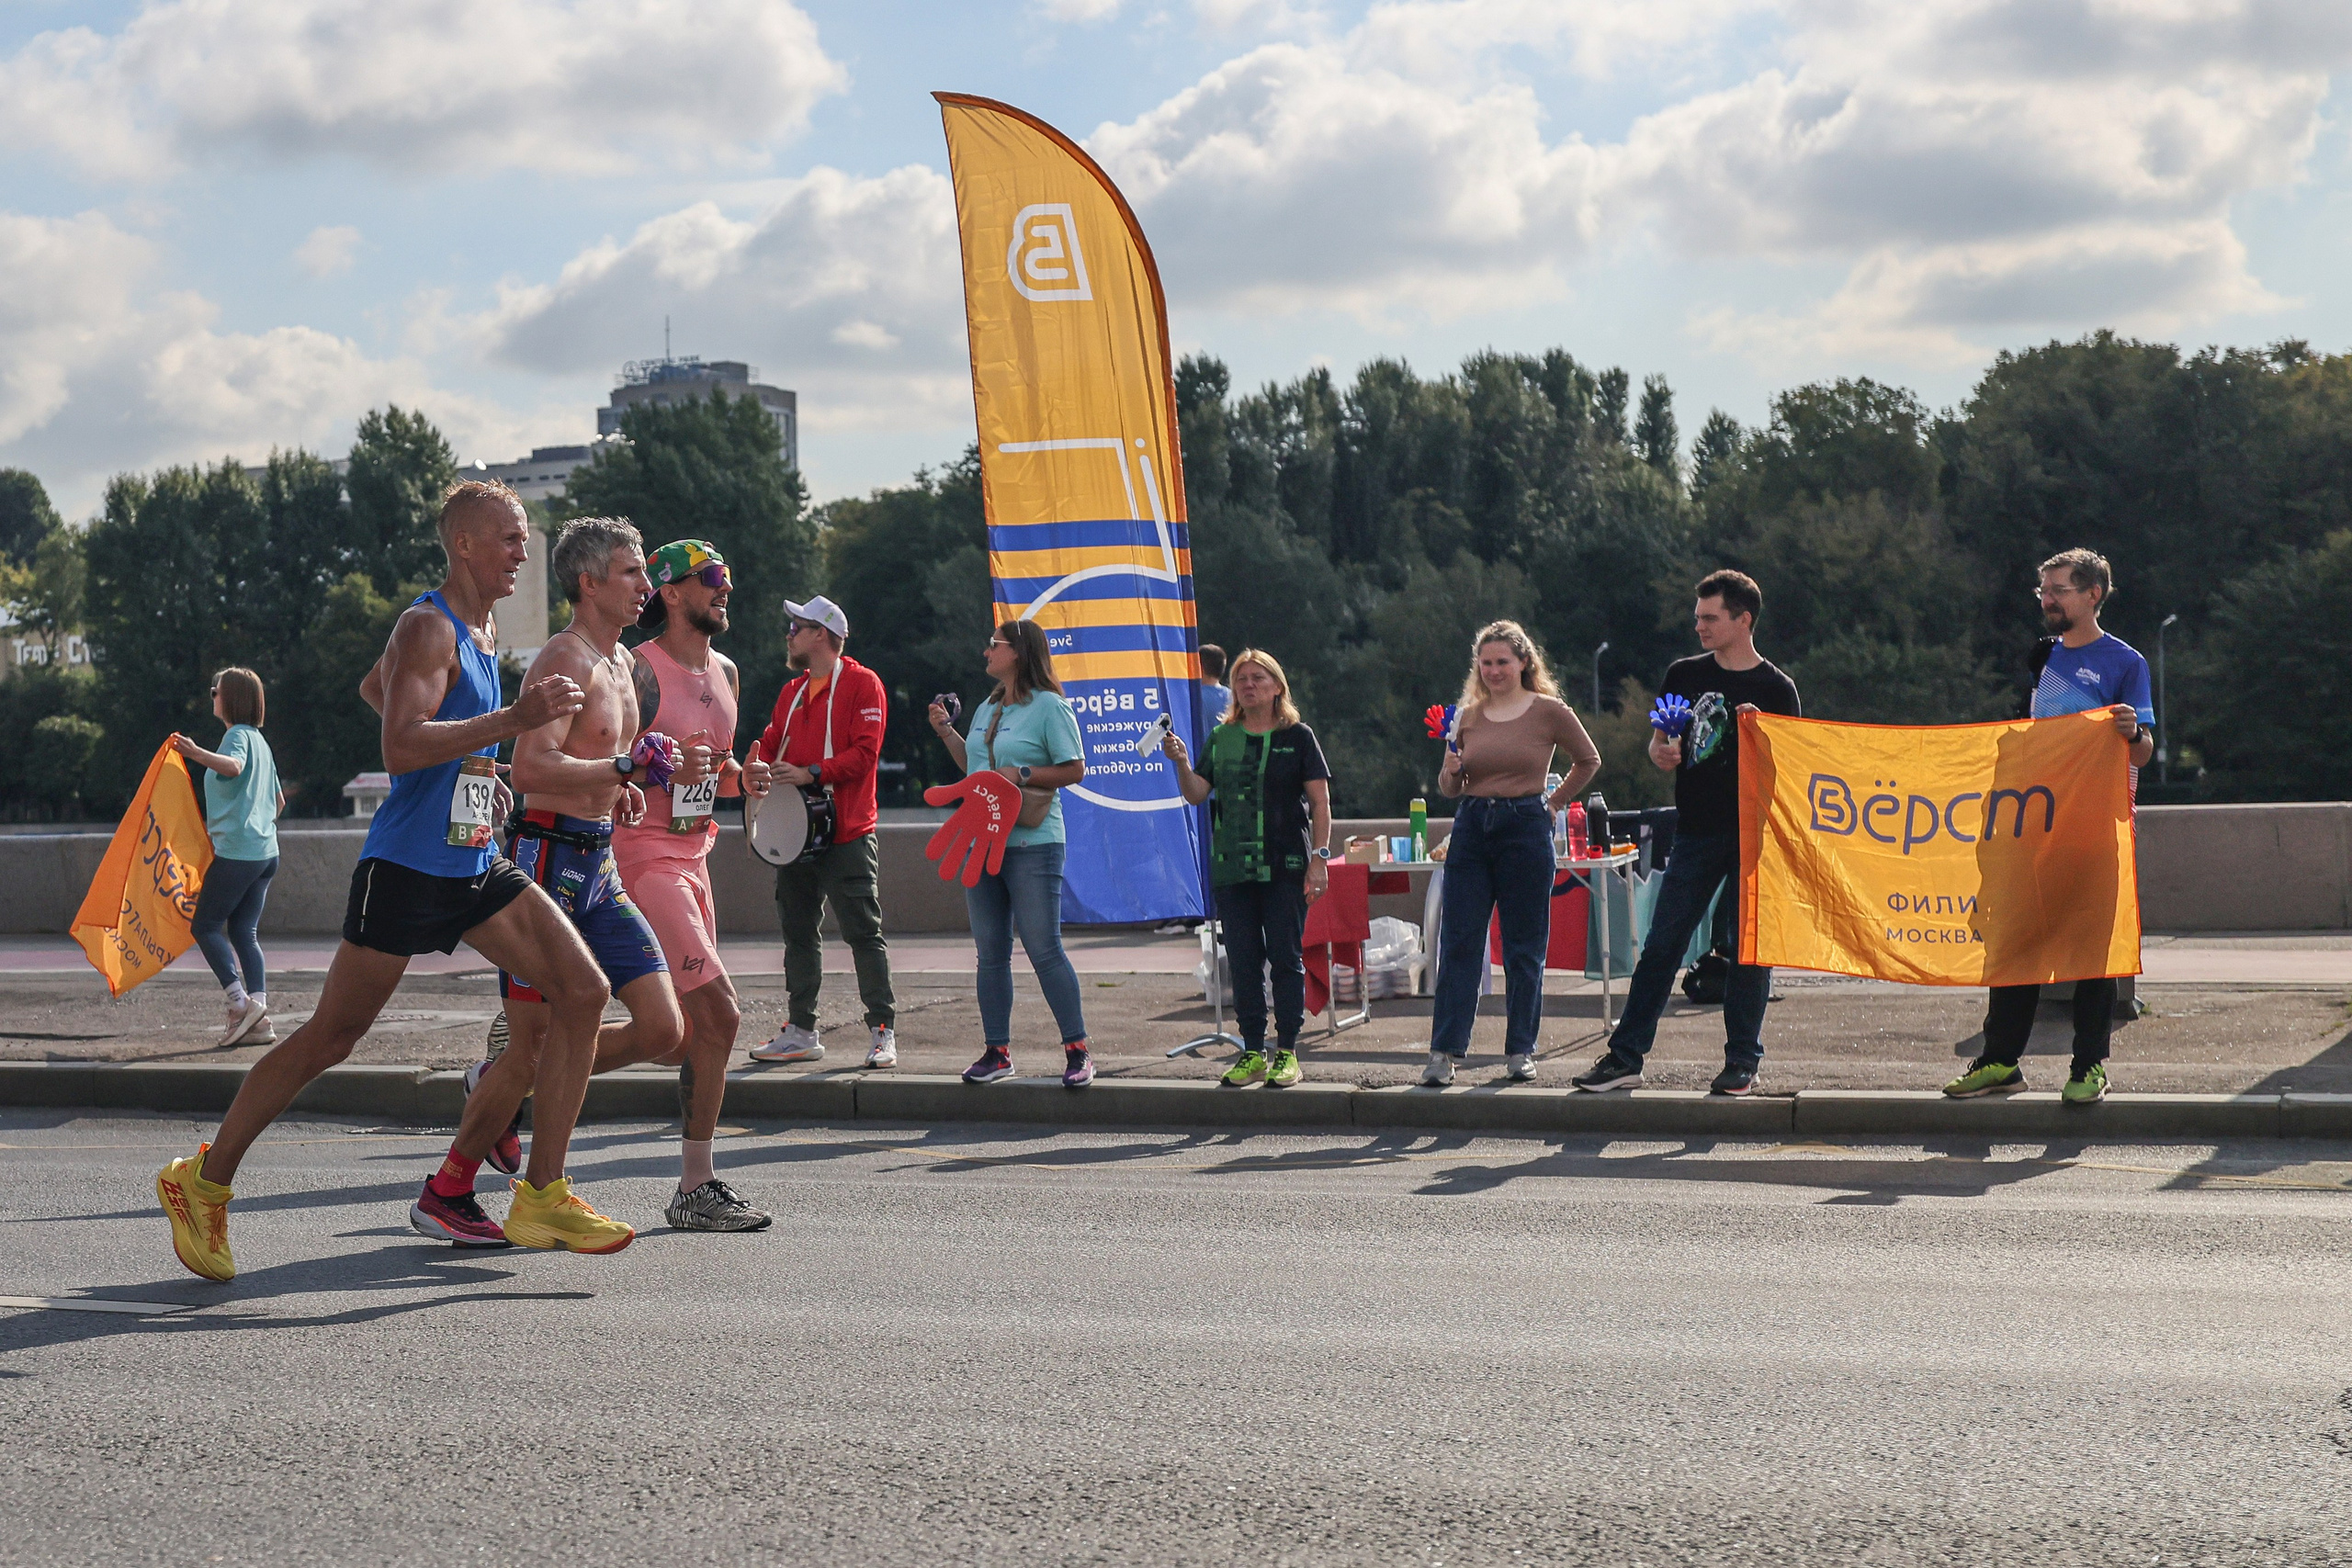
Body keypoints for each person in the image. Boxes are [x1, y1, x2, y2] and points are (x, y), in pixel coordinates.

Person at [153, 480, 619, 1281]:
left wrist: (480, 768)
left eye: (525, 539)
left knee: (583, 990)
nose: (522, 552)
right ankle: (203, 1178)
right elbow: (400, 742)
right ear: (465, 543)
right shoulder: (426, 624)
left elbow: (381, 688)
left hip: (473, 860)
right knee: (332, 1037)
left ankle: (542, 1191)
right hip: (405, 868)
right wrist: (508, 725)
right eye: (510, 537)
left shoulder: (476, 626)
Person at [412, 516, 693, 1249]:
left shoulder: (625, 664)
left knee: (665, 1027)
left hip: (598, 862)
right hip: (546, 863)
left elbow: (601, 763)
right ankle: (456, 1187)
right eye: (632, 572)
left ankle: (508, 1094)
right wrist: (621, 771)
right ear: (589, 582)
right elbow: (532, 768)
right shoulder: (562, 662)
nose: (646, 585)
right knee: (536, 1043)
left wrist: (620, 785)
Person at [1574, 570, 1801, 1096]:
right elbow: (1659, 746)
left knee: (1749, 952)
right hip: (1696, 829)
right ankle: (1625, 1057)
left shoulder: (1776, 688)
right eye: (1697, 616)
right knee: (1662, 945)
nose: (1698, 625)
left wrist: (1760, 732)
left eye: (1709, 617)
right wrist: (1663, 751)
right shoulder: (1682, 673)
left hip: (1754, 835)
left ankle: (1743, 1062)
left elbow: (1795, 769)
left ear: (1743, 619)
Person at [1945, 548, 2154, 1106]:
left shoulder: (2125, 662)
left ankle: (2089, 1067)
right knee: (2016, 942)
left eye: (2059, 589)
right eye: (2043, 590)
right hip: (2032, 825)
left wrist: (2132, 733)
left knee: (2091, 948)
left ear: (2092, 596)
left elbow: (2144, 755)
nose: (2047, 599)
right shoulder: (2042, 656)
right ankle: (1999, 1061)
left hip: (2092, 829)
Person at [606, 538, 771, 1230]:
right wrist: (654, 771)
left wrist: (744, 780)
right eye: (710, 579)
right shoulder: (637, 673)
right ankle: (695, 1189)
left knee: (676, 1037)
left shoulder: (726, 669)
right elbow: (597, 759)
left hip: (696, 857)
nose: (724, 589)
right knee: (722, 1016)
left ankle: (525, 1056)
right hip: (642, 857)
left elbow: (717, 768)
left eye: (726, 578)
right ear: (670, 592)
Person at [1426, 621, 1601, 1086]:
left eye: (1503, 661)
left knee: (1524, 946)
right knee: (1460, 941)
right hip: (1472, 826)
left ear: (1524, 662)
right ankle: (1444, 1053)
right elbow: (1450, 789)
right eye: (1486, 663)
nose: (1493, 670)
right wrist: (1449, 770)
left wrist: (1554, 803)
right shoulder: (1466, 715)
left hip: (1525, 825)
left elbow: (1589, 759)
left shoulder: (1548, 711)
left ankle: (1521, 1050)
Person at [927, 619, 1094, 1088]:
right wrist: (946, 734)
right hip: (983, 840)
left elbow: (1075, 768)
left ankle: (1077, 1050)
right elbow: (976, 769)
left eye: (994, 645)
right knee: (991, 954)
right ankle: (997, 1052)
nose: (986, 652)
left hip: (1032, 842)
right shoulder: (987, 706)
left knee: (1043, 947)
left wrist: (1022, 772)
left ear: (1018, 652)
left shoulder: (1049, 707)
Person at [1162, 649, 1332, 1089]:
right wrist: (1181, 762)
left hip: (1286, 864)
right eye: (1241, 679)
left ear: (1277, 686)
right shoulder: (1223, 737)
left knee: (1285, 956)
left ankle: (1288, 1051)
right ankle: (1252, 1050)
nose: (1248, 685)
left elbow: (1320, 803)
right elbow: (1197, 793)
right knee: (1241, 960)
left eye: (1258, 678)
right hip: (1233, 865)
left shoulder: (1299, 736)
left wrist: (1320, 858)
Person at [742, 593, 897, 1069]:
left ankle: (883, 1031)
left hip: (847, 831)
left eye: (797, 627)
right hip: (797, 835)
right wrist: (755, 767)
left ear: (821, 635)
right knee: (798, 932)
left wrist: (812, 772)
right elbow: (769, 744)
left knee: (863, 933)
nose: (789, 634)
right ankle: (801, 1031)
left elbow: (866, 755)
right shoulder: (792, 692)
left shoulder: (863, 684)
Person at [171, 667, 284, 1048]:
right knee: (243, 932)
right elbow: (278, 802)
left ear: (230, 697)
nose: (212, 695)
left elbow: (233, 767)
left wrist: (193, 752)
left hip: (238, 852)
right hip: (266, 853)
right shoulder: (261, 742)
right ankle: (260, 1016)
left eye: (214, 690)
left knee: (204, 926)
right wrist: (255, 823)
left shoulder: (236, 736)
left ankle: (239, 1004)